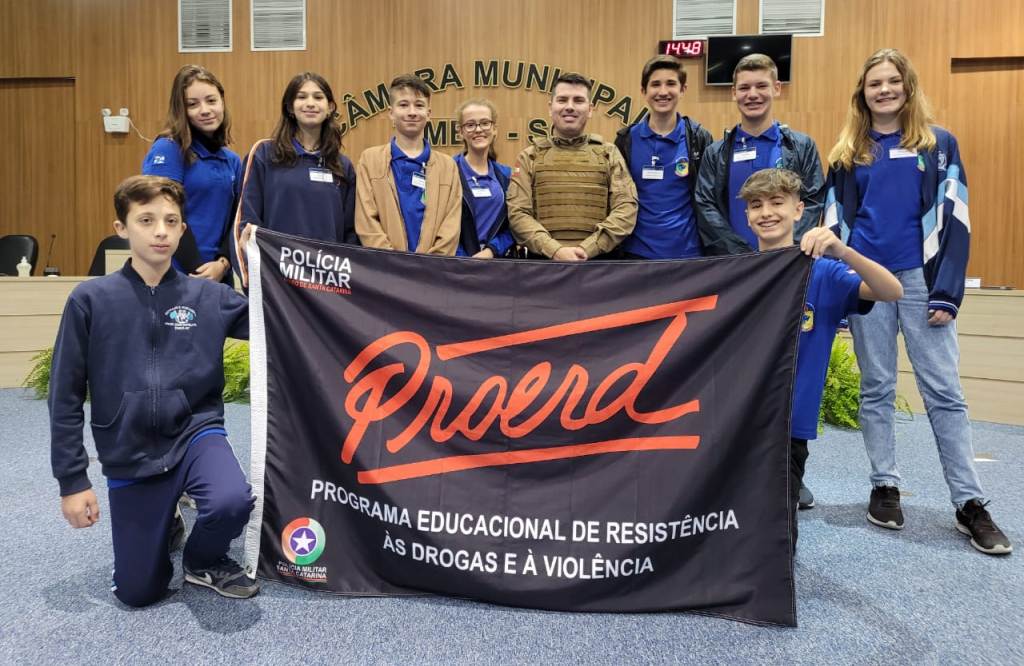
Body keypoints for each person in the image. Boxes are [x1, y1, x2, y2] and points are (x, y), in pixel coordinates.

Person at [825, 48, 1011, 555]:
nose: (884, 90)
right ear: (862, 94)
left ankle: (969, 502)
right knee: (877, 387)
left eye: (892, 81)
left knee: (944, 393)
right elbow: (834, 223)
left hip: (922, 281)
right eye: (874, 84)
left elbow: (957, 219)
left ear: (907, 87)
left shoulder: (939, 144)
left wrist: (947, 291)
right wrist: (843, 290)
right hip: (868, 282)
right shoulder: (846, 154)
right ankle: (884, 485)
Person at [49, 175, 258, 607]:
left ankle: (203, 560)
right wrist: (72, 482)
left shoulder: (209, 297)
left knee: (232, 500)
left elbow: (277, 318)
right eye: (146, 220)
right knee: (139, 593)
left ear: (183, 230)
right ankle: (167, 521)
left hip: (195, 433)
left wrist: (257, 263)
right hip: (131, 450)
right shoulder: (90, 300)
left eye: (171, 221)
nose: (160, 231)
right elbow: (64, 395)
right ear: (121, 228)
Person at [738, 168, 902, 546]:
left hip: (789, 423)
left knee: (776, 530)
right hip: (740, 420)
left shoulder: (824, 273)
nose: (766, 212)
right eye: (756, 205)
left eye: (777, 203)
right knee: (734, 512)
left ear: (799, 210)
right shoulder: (737, 274)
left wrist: (843, 250)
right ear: (746, 216)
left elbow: (891, 290)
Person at [695, 54, 825, 257]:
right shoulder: (714, 153)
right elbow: (706, 207)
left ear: (777, 88)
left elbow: (813, 201)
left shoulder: (802, 146)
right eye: (744, 88)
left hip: (786, 260)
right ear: (734, 93)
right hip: (733, 261)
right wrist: (740, 253)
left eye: (762, 86)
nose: (752, 94)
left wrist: (785, 248)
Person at [234, 72, 357, 282]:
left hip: (325, 282)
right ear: (290, 107)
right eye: (301, 97)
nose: (310, 103)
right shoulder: (264, 153)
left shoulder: (343, 166)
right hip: (277, 280)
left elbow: (350, 235)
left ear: (330, 107)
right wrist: (252, 277)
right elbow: (246, 223)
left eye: (318, 97)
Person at [507, 72, 637, 261]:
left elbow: (626, 209)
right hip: (544, 267)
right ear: (550, 108)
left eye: (578, 100)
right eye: (562, 100)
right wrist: (555, 250)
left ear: (590, 109)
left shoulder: (609, 154)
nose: (569, 107)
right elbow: (518, 213)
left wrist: (588, 248)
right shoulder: (529, 157)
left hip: (598, 265)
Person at [143, 65, 241, 283]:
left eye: (211, 101)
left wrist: (223, 263)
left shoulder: (232, 160)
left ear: (222, 102)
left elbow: (237, 220)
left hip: (218, 275)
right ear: (181, 110)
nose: (205, 110)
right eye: (193, 104)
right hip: (177, 274)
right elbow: (163, 213)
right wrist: (198, 272)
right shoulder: (169, 148)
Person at [613, 55, 713, 259]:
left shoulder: (699, 138)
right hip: (636, 253)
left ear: (683, 89)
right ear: (643, 91)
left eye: (671, 84)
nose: (663, 92)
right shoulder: (625, 140)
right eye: (655, 84)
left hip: (689, 253)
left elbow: (709, 197)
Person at [354, 74, 462, 254]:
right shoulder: (370, 160)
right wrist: (396, 264)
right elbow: (367, 223)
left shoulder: (448, 167)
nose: (412, 112)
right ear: (391, 113)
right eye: (403, 105)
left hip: (433, 269)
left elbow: (451, 228)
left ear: (428, 113)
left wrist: (429, 265)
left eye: (419, 105)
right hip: (384, 268)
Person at [453, 98, 515, 258]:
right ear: (460, 132)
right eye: (470, 125)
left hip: (495, 264)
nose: (478, 129)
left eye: (485, 123)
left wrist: (491, 251)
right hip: (456, 263)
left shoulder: (507, 176)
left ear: (494, 129)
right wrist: (464, 259)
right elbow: (439, 223)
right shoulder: (448, 172)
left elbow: (515, 225)